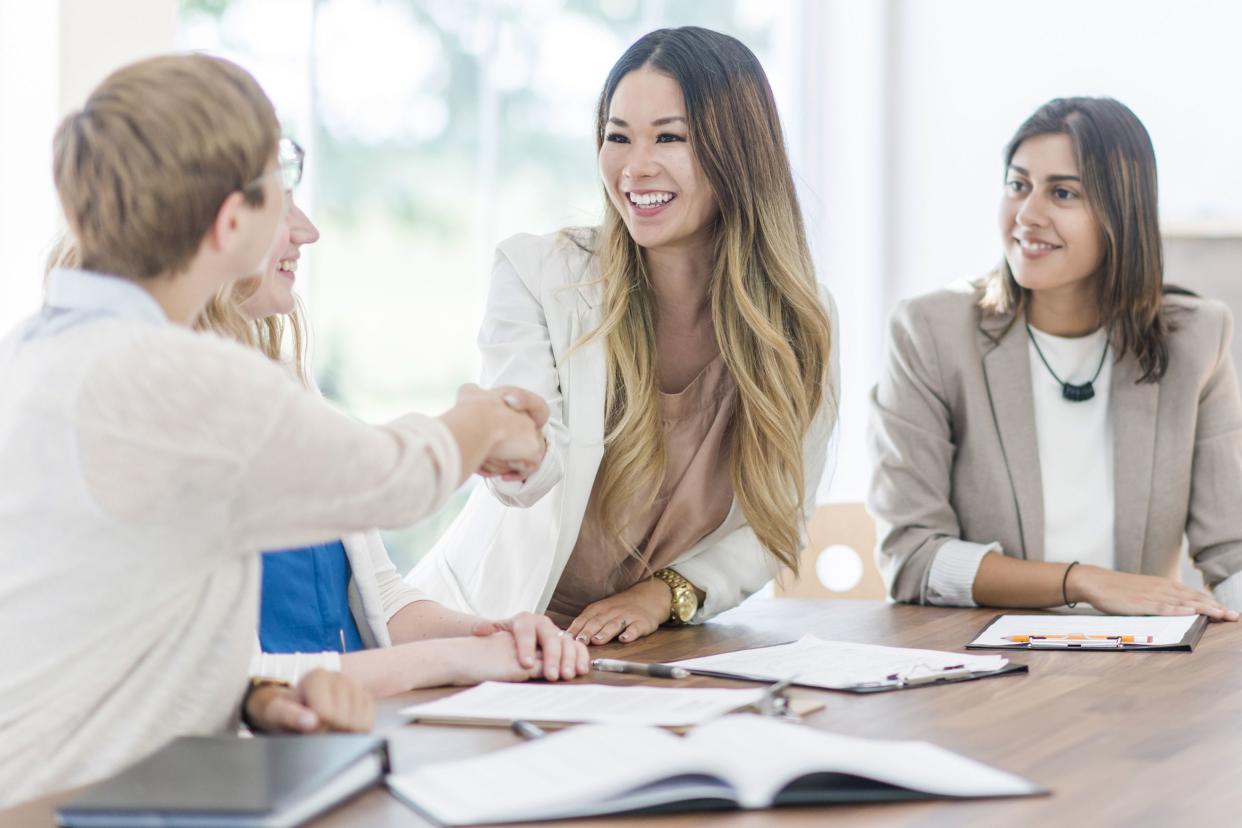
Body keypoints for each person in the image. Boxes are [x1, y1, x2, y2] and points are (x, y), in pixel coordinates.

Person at [0, 53, 548, 806]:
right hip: (82, 807)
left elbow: (108, 635)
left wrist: (252, 696)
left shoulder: (34, 356)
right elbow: (393, 479)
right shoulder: (173, 377)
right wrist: (485, 422)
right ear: (230, 223)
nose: (306, 223)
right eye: (282, 187)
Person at [408, 26, 839, 645]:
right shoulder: (538, 274)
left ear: (738, 151)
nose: (635, 167)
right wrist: (510, 447)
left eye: (670, 137)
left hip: (648, 643)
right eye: (617, 137)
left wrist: (664, 593)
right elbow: (533, 466)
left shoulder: (795, 323)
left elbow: (777, 521)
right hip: (491, 630)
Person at [195, 173, 587, 697]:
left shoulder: (281, 384)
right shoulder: (163, 410)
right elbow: (238, 683)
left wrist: (493, 634)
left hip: (347, 729)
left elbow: (375, 593)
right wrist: (460, 656)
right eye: (279, 207)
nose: (307, 231)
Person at [868, 96, 1242, 619]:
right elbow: (914, 559)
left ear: (1122, 214)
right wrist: (1083, 582)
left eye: (1062, 193)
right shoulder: (931, 333)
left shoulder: (1196, 337)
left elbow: (1232, 552)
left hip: (1145, 667)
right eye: (1018, 185)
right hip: (989, 669)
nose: (1027, 215)